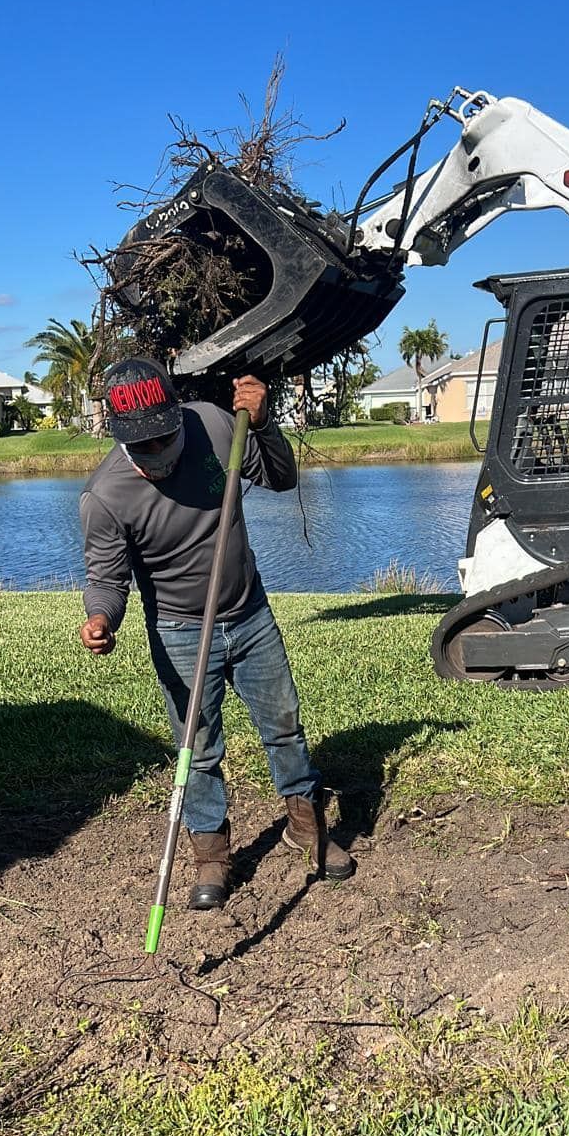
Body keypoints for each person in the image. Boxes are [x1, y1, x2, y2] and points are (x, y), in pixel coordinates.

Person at [78, 355, 353, 910]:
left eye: (162, 438)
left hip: (249, 614)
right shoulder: (105, 496)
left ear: (177, 415)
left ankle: (307, 826)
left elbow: (281, 477)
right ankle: (211, 854)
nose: (154, 455)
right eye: (140, 445)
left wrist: (266, 422)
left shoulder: (216, 424)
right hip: (180, 632)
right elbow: (107, 580)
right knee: (198, 750)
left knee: (284, 726)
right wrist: (102, 618)